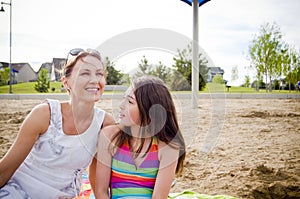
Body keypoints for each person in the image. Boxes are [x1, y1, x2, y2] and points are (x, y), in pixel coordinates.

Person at [0, 48, 115, 198]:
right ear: (66, 83)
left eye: (99, 73)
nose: (95, 80)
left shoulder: (105, 124)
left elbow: (98, 181)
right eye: (85, 73)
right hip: (18, 192)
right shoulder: (44, 114)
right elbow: (5, 171)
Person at [95, 76, 186, 199]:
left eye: (130, 102)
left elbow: (158, 197)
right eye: (124, 99)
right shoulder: (109, 136)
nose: (121, 105)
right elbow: (101, 191)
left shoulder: (168, 147)